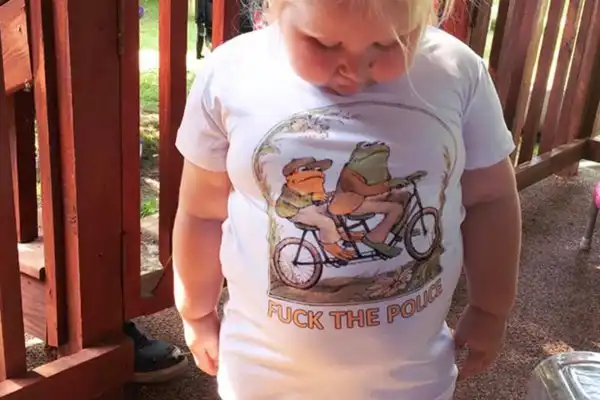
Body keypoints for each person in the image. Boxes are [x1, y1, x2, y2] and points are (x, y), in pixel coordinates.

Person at [173, 0, 522, 398]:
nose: (354, 71)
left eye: (391, 42)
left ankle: (372, 241)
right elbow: (201, 211)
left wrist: (491, 308)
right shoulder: (231, 75)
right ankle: (340, 246)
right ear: (275, 7)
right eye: (323, 43)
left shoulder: (457, 72)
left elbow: (490, 199)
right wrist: (195, 312)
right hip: (262, 375)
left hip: (411, 381)